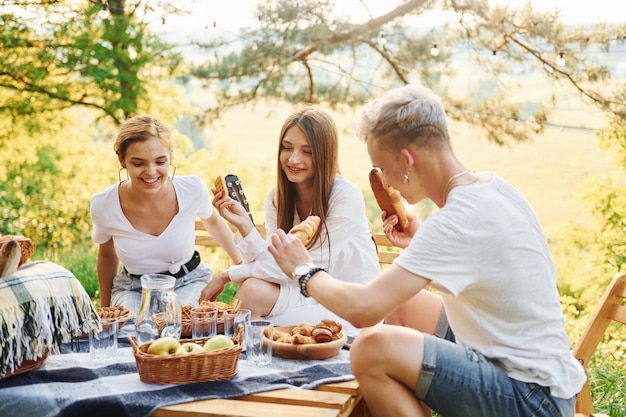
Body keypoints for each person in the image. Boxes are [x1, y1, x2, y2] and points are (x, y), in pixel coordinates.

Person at [266, 85, 586, 417]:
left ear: (407, 160)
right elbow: (476, 265)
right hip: (544, 381)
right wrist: (421, 242)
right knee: (406, 304)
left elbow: (364, 310)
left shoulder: (454, 221)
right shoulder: (492, 187)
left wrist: (303, 270)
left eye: (382, 168)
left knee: (370, 347)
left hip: (530, 401)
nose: (386, 182)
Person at [199, 105, 380, 337]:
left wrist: (228, 275)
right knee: (252, 291)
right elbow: (276, 263)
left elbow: (301, 267)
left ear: (324, 154)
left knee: (250, 302)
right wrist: (244, 226)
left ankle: (271, 355)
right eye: (287, 148)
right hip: (305, 295)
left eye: (307, 151)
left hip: (349, 307)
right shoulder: (277, 198)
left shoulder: (346, 197)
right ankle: (266, 360)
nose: (294, 159)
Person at [90, 115, 243, 314]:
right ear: (122, 160)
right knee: (130, 333)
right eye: (138, 163)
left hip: (187, 281)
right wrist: (106, 310)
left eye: (160, 161)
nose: (151, 172)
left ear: (171, 156)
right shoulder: (104, 204)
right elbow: (107, 254)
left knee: (178, 324)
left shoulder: (192, 189)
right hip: (134, 288)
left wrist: (241, 266)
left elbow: (213, 221)